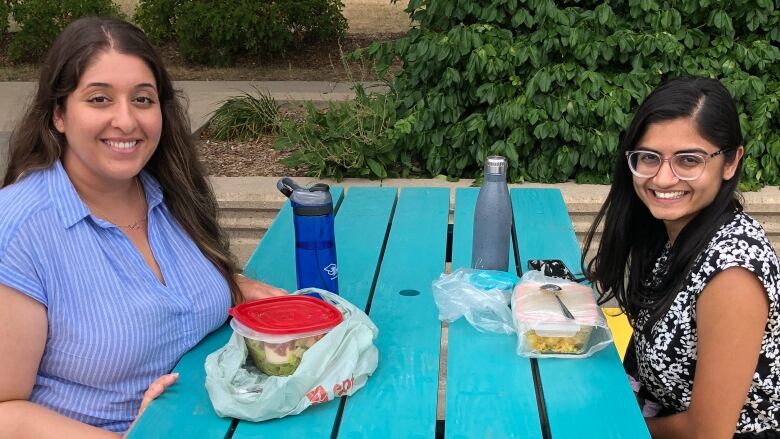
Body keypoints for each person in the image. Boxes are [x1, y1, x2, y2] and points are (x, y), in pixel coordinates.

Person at [0, 17, 285, 437]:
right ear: (58, 114)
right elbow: (6, 410)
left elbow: (162, 299)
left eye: (142, 99)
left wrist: (232, 283)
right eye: (99, 99)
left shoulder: (170, 192)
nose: (126, 121)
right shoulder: (21, 228)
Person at [582, 76, 780, 438]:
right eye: (649, 157)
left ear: (731, 161)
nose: (663, 178)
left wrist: (608, 426)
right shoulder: (671, 233)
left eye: (689, 160)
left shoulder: (733, 274)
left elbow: (710, 433)